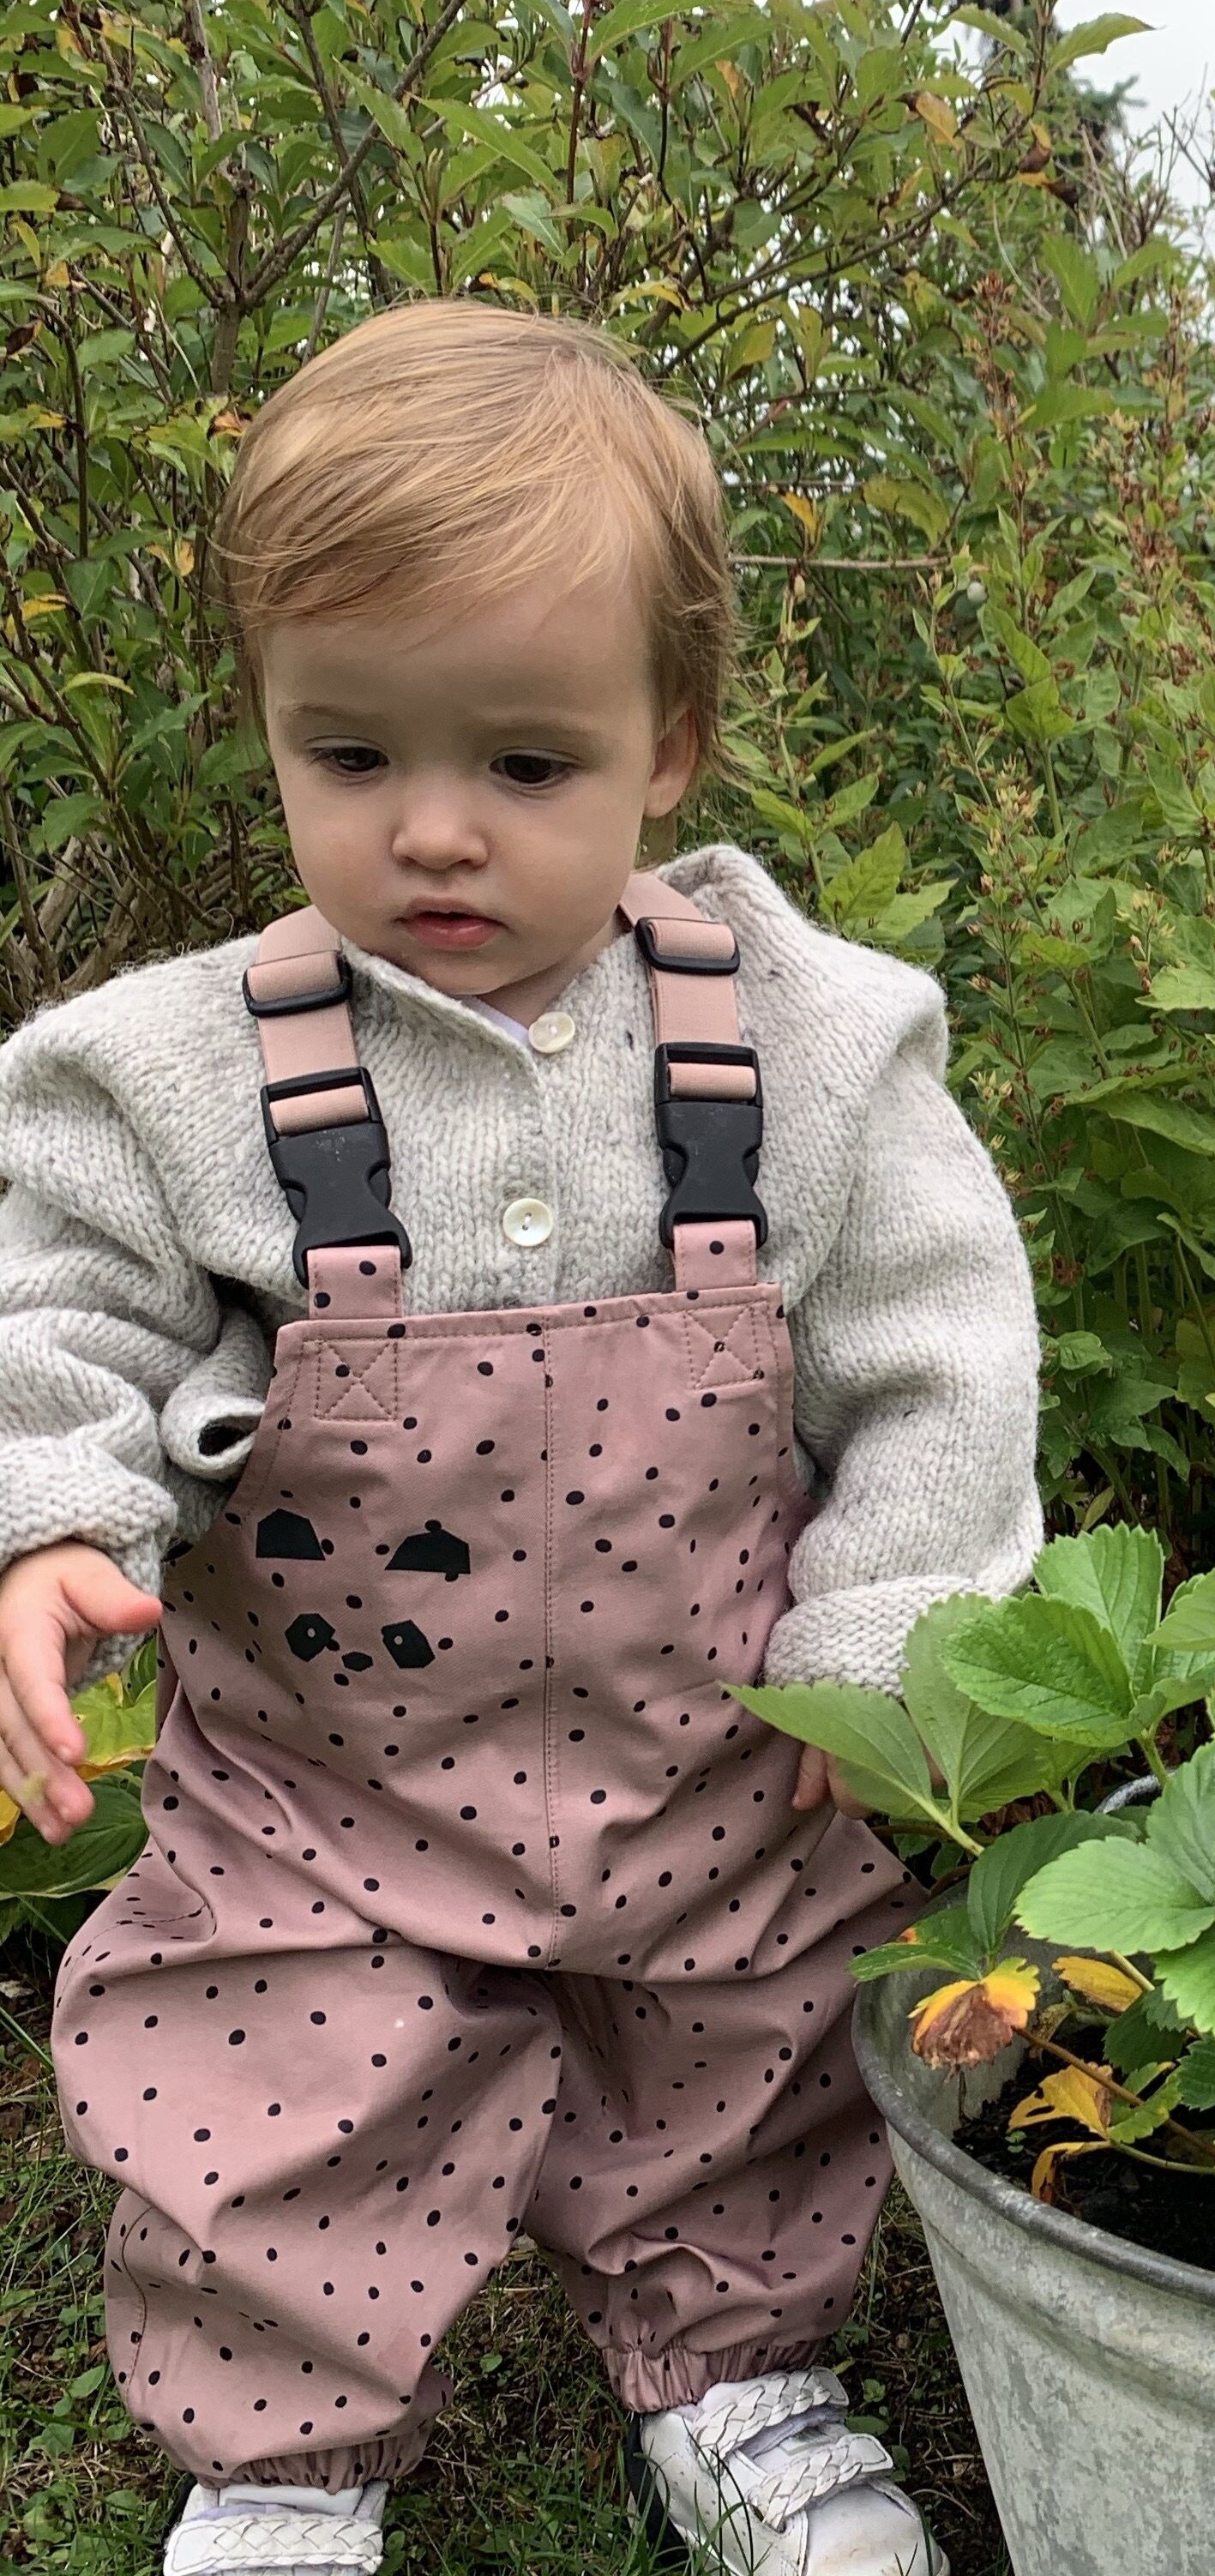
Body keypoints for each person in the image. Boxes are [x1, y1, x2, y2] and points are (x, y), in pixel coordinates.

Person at [0, 298, 1042, 2576]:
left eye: (529, 768)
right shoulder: (168, 1073)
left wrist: (889, 1647)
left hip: (717, 1761)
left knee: (743, 2072)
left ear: (670, 749)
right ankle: (279, 2464)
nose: (435, 834)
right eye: (350, 757)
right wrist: (55, 1515)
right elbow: (54, 1301)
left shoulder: (816, 1044)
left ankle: (742, 2382)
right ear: (270, 728)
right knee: (277, 2096)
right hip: (329, 1786)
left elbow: (943, 1359)